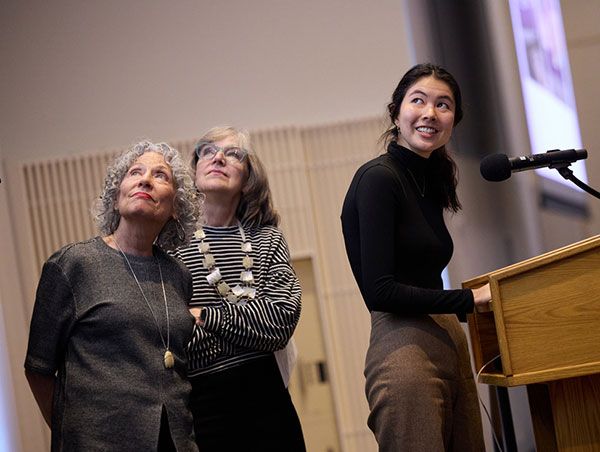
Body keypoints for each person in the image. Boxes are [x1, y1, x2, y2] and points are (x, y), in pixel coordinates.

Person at [341, 63, 491, 451]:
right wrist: (468, 299)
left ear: (454, 119)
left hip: (447, 339)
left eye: (443, 105)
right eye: (418, 100)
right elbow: (380, 291)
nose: (430, 113)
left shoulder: (429, 179)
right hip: (403, 347)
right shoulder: (378, 178)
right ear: (396, 111)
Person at [24, 140, 201, 452]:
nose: (146, 179)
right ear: (116, 200)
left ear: (176, 208)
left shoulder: (178, 275)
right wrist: (80, 434)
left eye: (161, 176)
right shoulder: (73, 265)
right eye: (135, 172)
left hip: (176, 442)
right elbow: (38, 369)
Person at [171, 126, 306, 452]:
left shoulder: (267, 239)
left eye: (232, 153)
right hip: (201, 408)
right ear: (194, 170)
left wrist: (203, 316)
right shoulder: (169, 245)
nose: (218, 157)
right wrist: (247, 327)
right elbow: (172, 333)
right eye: (207, 150)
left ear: (248, 177)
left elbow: (280, 321)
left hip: (268, 401)